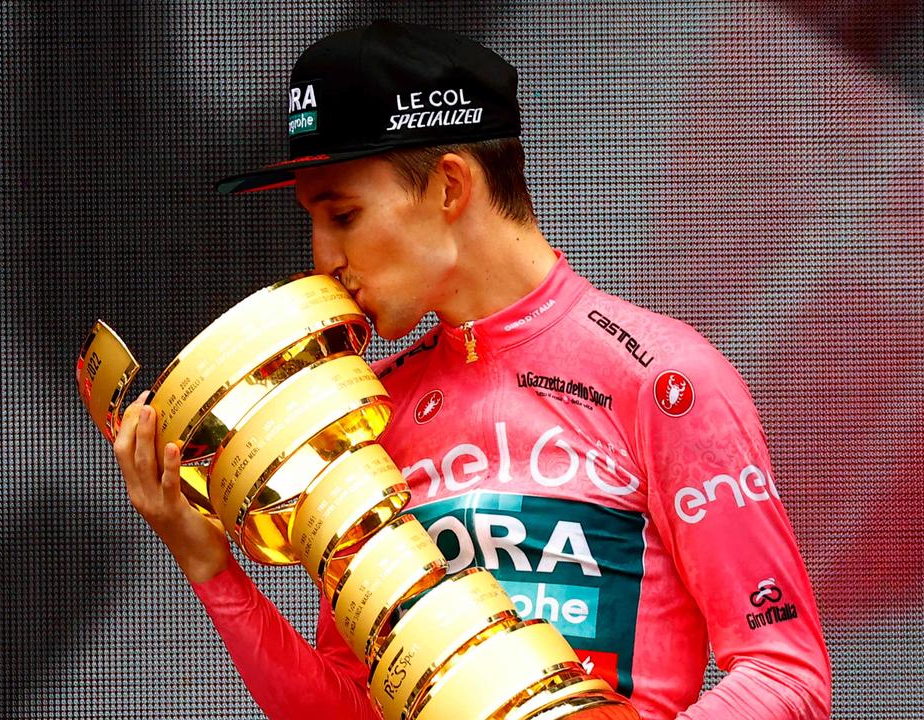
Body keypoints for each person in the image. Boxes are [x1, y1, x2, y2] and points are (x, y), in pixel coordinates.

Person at [112, 20, 832, 720]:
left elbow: (786, 674)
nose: (322, 256)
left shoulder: (662, 380)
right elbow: (350, 708)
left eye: (344, 215)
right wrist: (208, 565)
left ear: (450, 186)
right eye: (314, 219)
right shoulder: (369, 412)